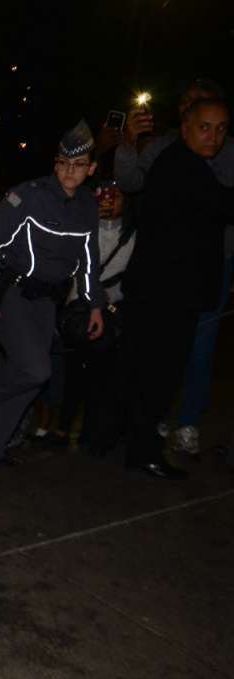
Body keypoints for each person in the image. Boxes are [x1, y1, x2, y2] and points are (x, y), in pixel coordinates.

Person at [0, 120, 105, 471]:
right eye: (63, 163)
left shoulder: (88, 206)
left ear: (91, 168)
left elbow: (89, 260)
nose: (69, 171)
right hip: (10, 292)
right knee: (35, 369)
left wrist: (94, 305)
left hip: (47, 302)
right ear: (55, 164)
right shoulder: (28, 195)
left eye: (78, 164)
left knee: (32, 380)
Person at [117, 78, 234, 457]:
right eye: (205, 127)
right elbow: (222, 204)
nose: (213, 137)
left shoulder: (189, 162)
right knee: (159, 370)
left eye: (221, 129)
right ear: (185, 125)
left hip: (172, 287)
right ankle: (143, 450)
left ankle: (140, 443)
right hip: (168, 291)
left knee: (162, 367)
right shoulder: (182, 164)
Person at [57, 184, 134, 455]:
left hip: (110, 314)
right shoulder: (81, 228)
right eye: (103, 195)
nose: (109, 200)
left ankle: (92, 434)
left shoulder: (133, 234)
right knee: (74, 372)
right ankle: (62, 429)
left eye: (117, 195)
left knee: (102, 375)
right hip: (79, 310)